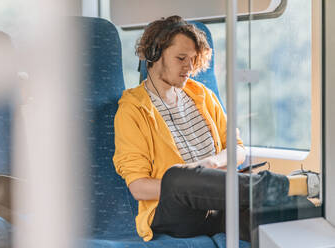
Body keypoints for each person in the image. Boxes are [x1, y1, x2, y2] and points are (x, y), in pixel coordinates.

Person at [113, 15, 318, 242]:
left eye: (192, 59)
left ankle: (301, 198)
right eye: (181, 58)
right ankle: (292, 184)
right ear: (154, 54)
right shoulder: (133, 109)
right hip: (176, 213)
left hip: (221, 203)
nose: (189, 67)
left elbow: (237, 150)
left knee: (288, 211)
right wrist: (193, 182)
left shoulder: (202, 95)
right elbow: (139, 188)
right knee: (177, 177)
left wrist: (211, 164)